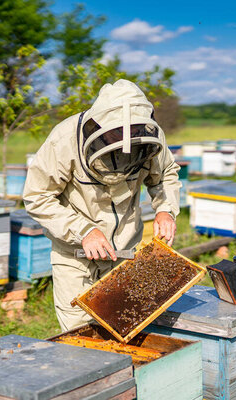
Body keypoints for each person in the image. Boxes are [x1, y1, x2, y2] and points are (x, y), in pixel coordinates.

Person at [23, 79, 181, 332]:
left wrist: (165, 209)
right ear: (98, 124)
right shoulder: (64, 140)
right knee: (78, 332)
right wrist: (83, 230)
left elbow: (165, 175)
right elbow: (37, 195)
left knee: (123, 324)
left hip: (126, 251)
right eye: (116, 133)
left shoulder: (151, 136)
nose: (125, 139)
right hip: (74, 253)